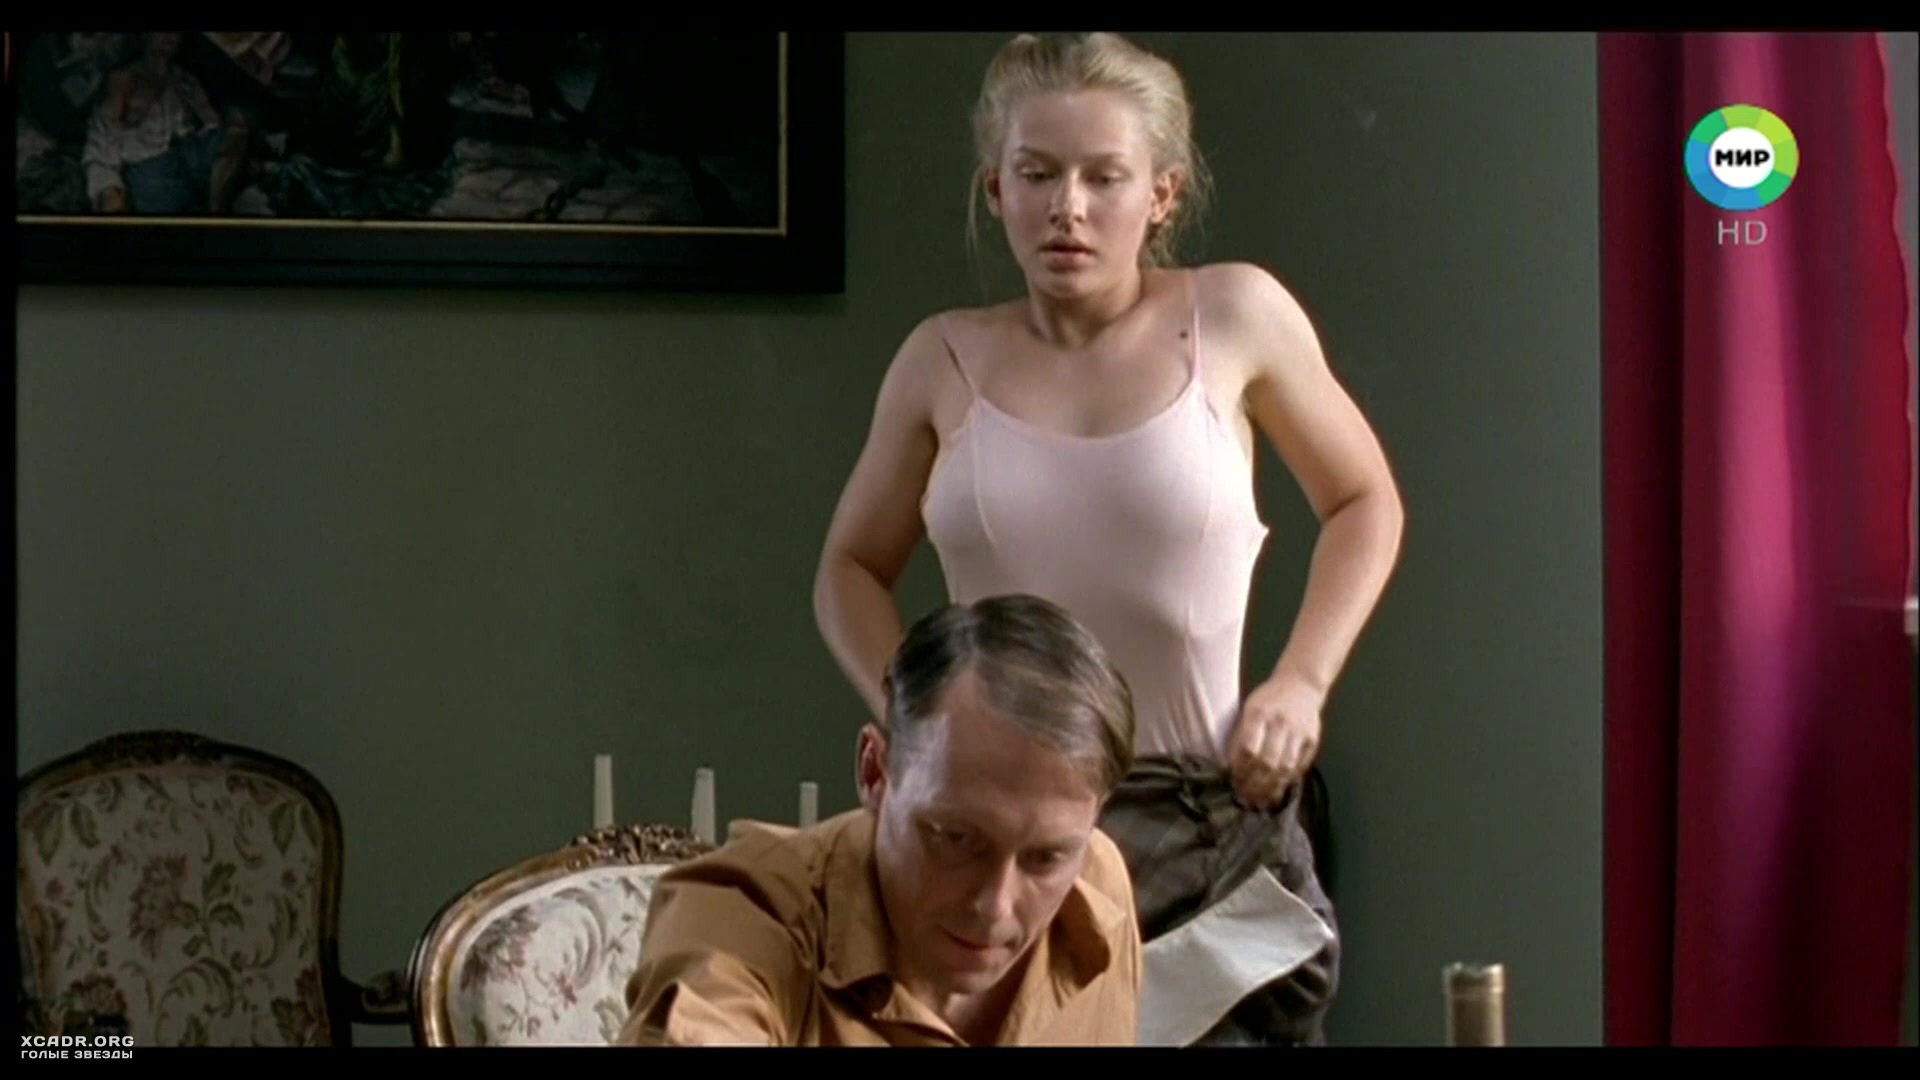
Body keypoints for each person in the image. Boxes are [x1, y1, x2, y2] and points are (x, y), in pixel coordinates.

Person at [812, 32, 1404, 1045]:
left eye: (1104, 177)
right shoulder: (940, 359)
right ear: (996, 188)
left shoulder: (1237, 316)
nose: (1068, 208)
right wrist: (920, 730)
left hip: (1207, 828)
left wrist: (1302, 683)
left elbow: (1365, 500)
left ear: (1162, 194)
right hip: (997, 847)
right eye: (1037, 174)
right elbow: (849, 569)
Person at [617, 594, 1143, 1046]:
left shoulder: (1098, 886)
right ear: (875, 772)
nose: (995, 907)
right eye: (958, 839)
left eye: (1046, 858)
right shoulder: (737, 912)